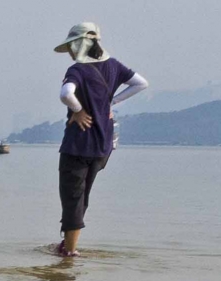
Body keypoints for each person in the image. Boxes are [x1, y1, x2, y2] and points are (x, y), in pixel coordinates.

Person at [51, 22, 148, 258]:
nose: (71, 53)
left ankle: (70, 252)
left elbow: (66, 94)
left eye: (72, 47)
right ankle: (67, 244)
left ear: (78, 44)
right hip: (103, 145)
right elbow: (141, 84)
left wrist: (77, 110)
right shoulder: (114, 66)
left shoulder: (77, 70)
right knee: (82, 195)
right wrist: (111, 103)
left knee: (72, 197)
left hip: (79, 143)